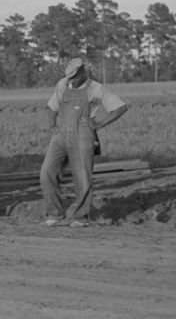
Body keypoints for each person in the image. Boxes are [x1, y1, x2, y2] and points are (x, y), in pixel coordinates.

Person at [40, 57, 128, 227]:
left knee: (82, 176)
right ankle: (55, 214)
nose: (70, 80)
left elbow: (120, 107)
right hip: (61, 133)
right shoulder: (62, 84)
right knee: (47, 172)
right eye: (69, 77)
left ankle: (80, 216)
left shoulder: (95, 88)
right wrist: (52, 126)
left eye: (74, 77)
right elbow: (52, 107)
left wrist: (99, 124)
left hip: (83, 133)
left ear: (83, 72)